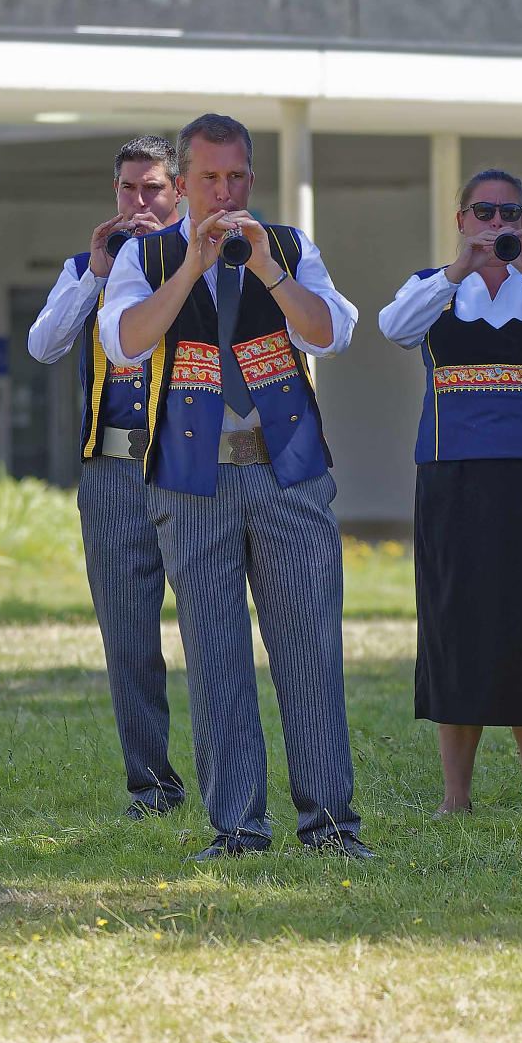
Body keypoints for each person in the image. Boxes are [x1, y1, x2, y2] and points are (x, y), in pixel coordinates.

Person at [97, 113, 370, 861]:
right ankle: (239, 828)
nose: (224, 192)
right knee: (215, 655)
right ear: (180, 185)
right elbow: (123, 342)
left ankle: (331, 826)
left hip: (286, 471)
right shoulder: (146, 257)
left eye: (237, 177)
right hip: (192, 482)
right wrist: (190, 264)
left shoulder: (286, 246)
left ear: (254, 177)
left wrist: (265, 271)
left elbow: (330, 333)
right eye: (209, 179)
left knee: (310, 648)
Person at [377, 168, 522, 820]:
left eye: (509, 215)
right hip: (451, 476)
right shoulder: (432, 288)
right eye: (484, 214)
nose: (496, 225)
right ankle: (455, 796)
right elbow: (393, 327)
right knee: (453, 627)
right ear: (462, 219)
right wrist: (454, 271)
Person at [26, 135, 189, 819]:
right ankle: (152, 786)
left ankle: (234, 778)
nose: (140, 202)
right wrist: (95, 271)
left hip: (189, 463)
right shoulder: (89, 265)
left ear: (179, 190)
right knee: (127, 637)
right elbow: (44, 345)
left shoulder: (205, 256)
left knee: (212, 632)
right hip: (114, 467)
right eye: (128, 189)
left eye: (153, 188)